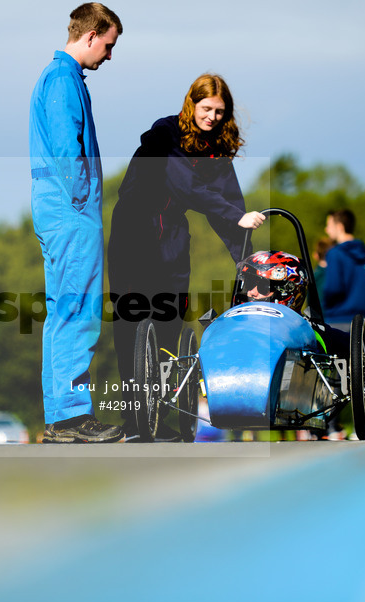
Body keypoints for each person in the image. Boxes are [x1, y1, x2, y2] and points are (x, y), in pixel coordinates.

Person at [108, 73, 265, 440]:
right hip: (135, 230)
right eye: (206, 108)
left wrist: (248, 268)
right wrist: (231, 213)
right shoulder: (164, 133)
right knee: (131, 323)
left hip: (173, 233)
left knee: (170, 323)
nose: (212, 117)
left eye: (220, 112)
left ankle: (158, 418)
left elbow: (229, 203)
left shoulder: (215, 147)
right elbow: (185, 184)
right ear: (191, 103)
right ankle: (134, 421)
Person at [29, 3, 123, 443]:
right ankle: (70, 417)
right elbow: (70, 150)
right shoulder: (64, 79)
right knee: (79, 313)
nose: (109, 55)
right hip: (72, 212)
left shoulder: (56, 76)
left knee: (61, 313)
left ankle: (60, 417)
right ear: (91, 36)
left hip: (58, 211)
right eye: (108, 45)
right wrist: (84, 204)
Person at [322, 209, 365, 332]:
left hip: (338, 320)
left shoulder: (334, 254)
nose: (326, 229)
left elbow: (333, 288)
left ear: (340, 227)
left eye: (329, 225)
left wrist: (324, 304)